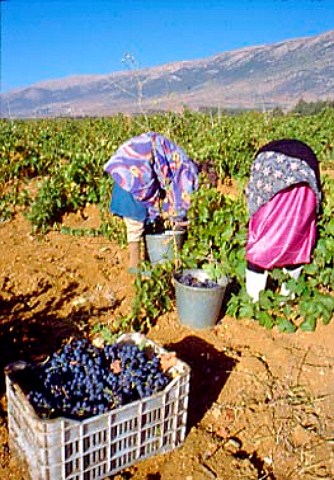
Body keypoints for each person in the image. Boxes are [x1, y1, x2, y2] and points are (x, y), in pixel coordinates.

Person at [103, 132, 200, 273]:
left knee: (142, 224)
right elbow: (181, 194)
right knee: (135, 228)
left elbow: (167, 181)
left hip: (126, 177)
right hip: (133, 184)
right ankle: (135, 269)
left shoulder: (176, 157)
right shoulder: (188, 171)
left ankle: (145, 263)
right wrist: (177, 216)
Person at [245, 138, 322, 302]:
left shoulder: (263, 162)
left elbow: (254, 199)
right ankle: (286, 298)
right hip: (303, 169)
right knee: (297, 236)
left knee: (261, 237)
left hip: (270, 165)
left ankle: (253, 299)